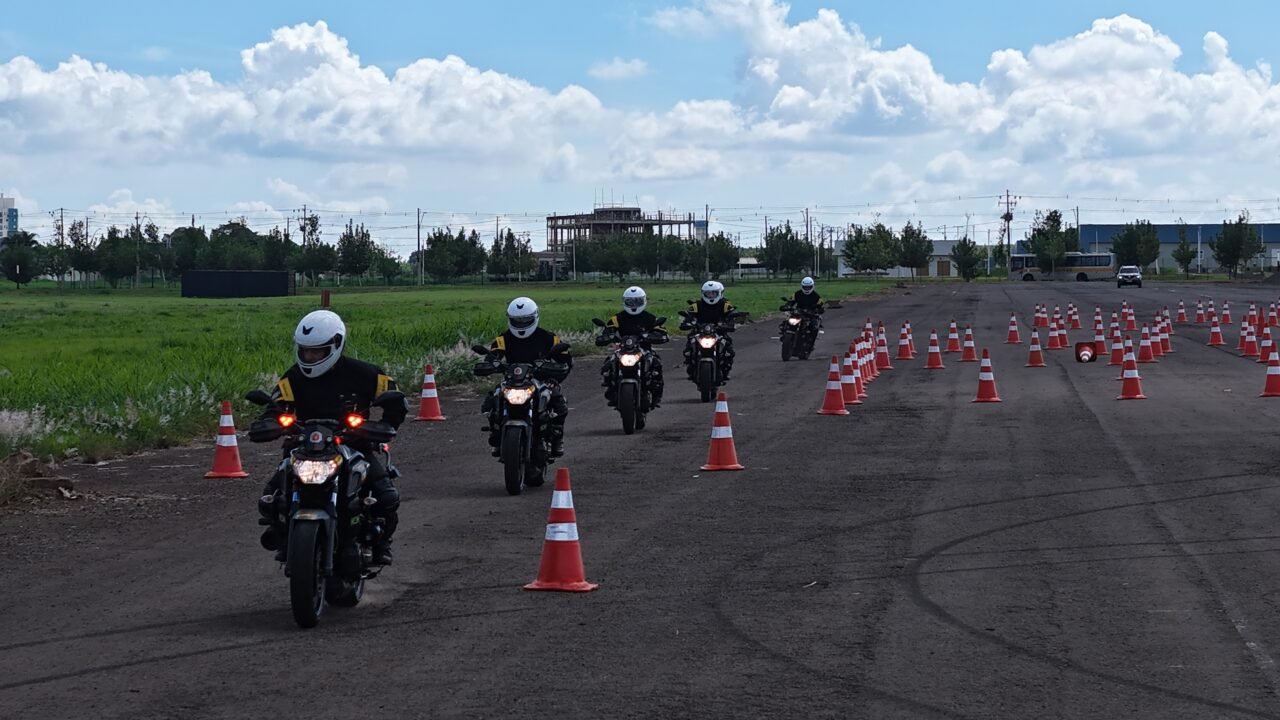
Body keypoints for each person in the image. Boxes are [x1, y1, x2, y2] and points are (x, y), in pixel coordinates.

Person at [255, 309, 408, 566]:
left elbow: (397, 401)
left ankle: (381, 543)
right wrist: (268, 423)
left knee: (386, 494)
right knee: (270, 496)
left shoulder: (366, 373)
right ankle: (282, 534)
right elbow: (276, 405)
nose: (310, 357)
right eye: (306, 351)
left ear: (336, 345)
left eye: (317, 352)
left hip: (353, 444)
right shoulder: (292, 377)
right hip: (303, 445)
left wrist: (384, 426)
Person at [480, 297, 573, 457]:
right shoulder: (503, 339)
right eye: (517, 320)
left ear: (534, 317)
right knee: (492, 399)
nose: (521, 324)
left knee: (558, 402)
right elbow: (493, 355)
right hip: (512, 380)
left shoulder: (549, 338)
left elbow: (566, 359)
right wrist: (490, 364)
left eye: (525, 320)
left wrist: (556, 371)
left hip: (540, 379)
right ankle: (496, 434)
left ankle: (557, 438)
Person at [598, 286, 668, 408]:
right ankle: (611, 388)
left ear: (643, 301)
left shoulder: (650, 318)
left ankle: (657, 394)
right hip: (623, 350)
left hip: (644, 349)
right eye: (630, 302)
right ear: (625, 301)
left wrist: (657, 336)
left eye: (637, 301)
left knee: (657, 364)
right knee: (608, 364)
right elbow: (608, 330)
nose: (634, 305)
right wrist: (605, 337)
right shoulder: (617, 318)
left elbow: (661, 331)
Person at [683, 280, 738, 380]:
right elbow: (688, 316)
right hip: (699, 332)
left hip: (719, 332)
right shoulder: (696, 305)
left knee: (729, 350)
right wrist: (687, 323)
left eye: (713, 293)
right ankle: (691, 366)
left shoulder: (726, 305)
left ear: (720, 293)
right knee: (688, 348)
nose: (711, 296)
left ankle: (725, 369)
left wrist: (730, 324)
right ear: (703, 293)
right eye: (708, 293)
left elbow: (731, 316)